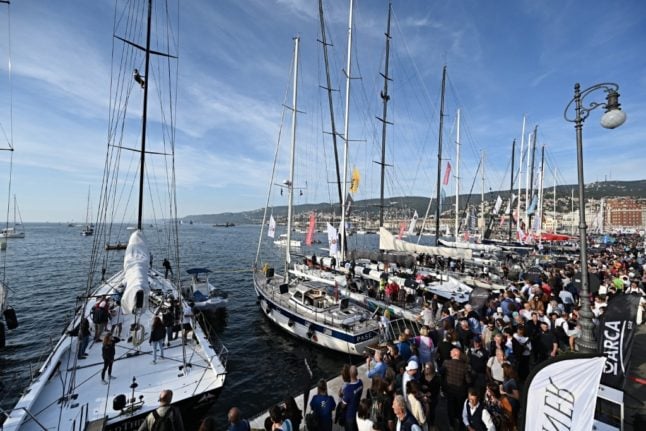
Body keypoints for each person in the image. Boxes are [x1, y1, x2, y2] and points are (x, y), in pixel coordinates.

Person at [341, 365, 364, 431]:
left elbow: (343, 405)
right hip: (357, 411)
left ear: (349, 374)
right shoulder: (360, 382)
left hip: (350, 416)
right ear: (357, 373)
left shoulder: (348, 389)